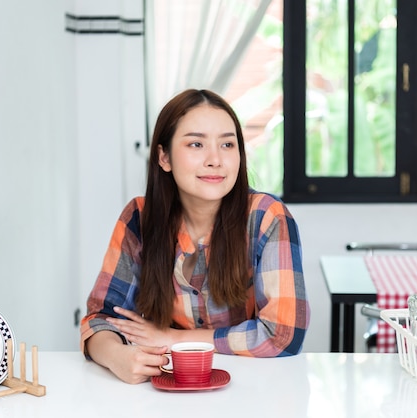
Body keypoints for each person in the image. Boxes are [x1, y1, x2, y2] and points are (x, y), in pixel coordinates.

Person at [80, 88, 310, 384]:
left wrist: (173, 338)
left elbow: (283, 335)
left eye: (227, 144)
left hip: (255, 388)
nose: (215, 159)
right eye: (196, 144)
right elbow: (100, 318)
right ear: (164, 157)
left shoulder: (267, 217)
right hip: (166, 388)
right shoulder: (139, 218)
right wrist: (118, 357)